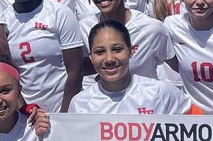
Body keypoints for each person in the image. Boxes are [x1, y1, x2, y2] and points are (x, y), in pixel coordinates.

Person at [3, 0, 83, 111]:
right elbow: (9, 76)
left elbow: (76, 70)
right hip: (23, 113)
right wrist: (24, 111)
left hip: (61, 109)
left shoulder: (59, 13)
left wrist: (64, 115)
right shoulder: (2, 21)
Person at [78, 0, 174, 79]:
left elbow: (180, 69)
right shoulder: (83, 28)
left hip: (144, 99)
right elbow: (77, 69)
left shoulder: (152, 29)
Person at [70, 21, 199, 115]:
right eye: (100, 52)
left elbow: (201, 124)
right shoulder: (80, 104)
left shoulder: (160, 92)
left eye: (117, 49)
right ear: (91, 57)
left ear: (131, 51)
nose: (109, 59)